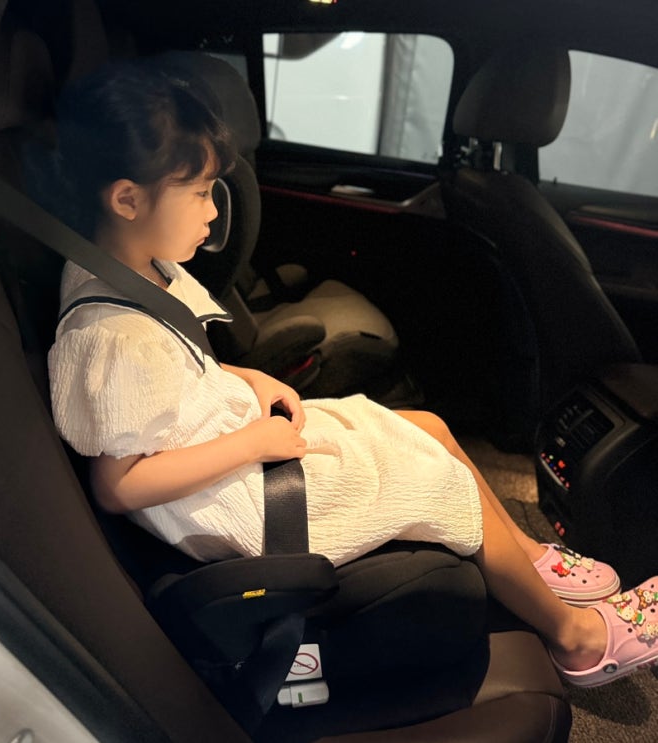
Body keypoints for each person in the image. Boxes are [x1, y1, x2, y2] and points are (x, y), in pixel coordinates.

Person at [47, 60, 658, 689]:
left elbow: (171, 372)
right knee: (439, 480)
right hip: (233, 505)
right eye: (200, 192)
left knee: (426, 426)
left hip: (229, 444)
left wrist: (245, 376)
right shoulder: (111, 333)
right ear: (127, 199)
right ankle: (577, 640)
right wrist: (252, 443)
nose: (213, 211)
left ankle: (528, 560)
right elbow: (118, 485)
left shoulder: (134, 270)